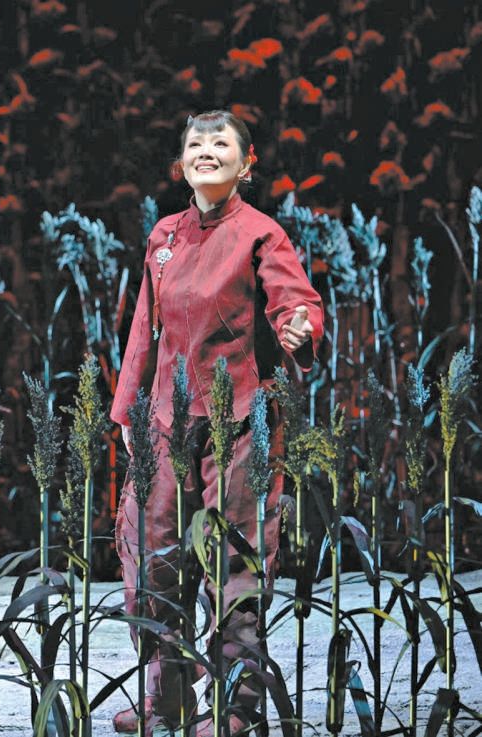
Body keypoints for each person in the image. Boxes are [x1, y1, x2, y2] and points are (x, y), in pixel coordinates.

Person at [109, 110, 323, 736]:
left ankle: (236, 705)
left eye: (220, 142)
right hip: (168, 420)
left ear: (246, 162)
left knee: (236, 562)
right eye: (196, 143)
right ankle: (168, 696)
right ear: (181, 163)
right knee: (154, 555)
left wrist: (299, 325)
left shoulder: (261, 233)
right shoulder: (165, 235)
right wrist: (128, 408)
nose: (207, 150)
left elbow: (295, 300)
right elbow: (145, 326)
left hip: (238, 423)